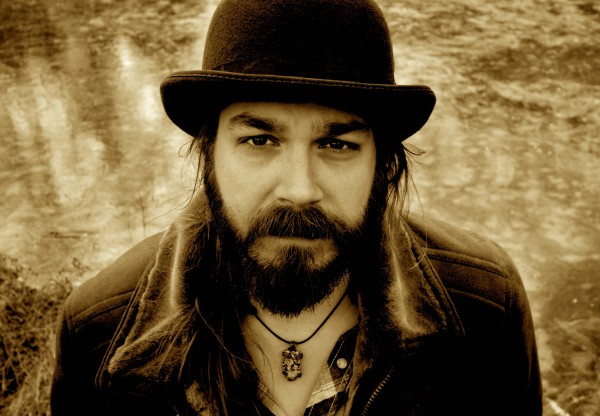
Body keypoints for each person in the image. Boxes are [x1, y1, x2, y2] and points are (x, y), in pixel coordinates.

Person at [51, 0, 542, 415]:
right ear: (209, 154)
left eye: (338, 145)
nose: (300, 189)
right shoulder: (100, 335)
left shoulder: (484, 307)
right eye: (260, 140)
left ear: (384, 164)